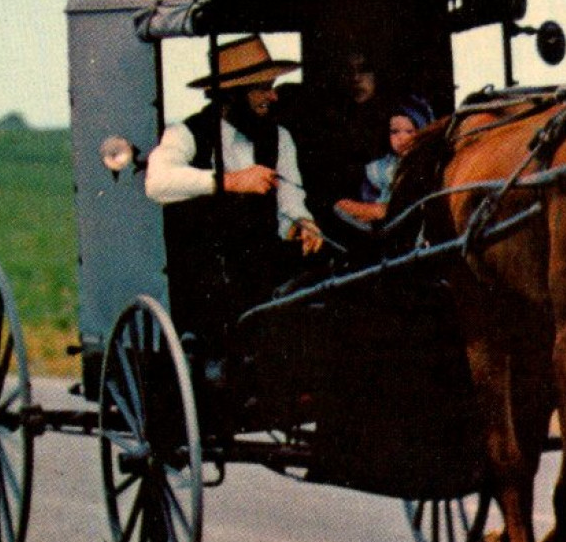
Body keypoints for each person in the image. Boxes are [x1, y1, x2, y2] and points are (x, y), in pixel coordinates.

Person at [145, 35, 324, 335]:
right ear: (231, 94)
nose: (273, 96)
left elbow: (291, 195)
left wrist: (303, 222)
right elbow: (157, 183)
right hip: (205, 274)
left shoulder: (279, 137)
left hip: (260, 266)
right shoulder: (186, 134)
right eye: (262, 88)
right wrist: (229, 181)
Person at [334, 95, 433, 226]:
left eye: (409, 131)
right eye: (394, 132)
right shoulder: (383, 166)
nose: (401, 138)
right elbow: (368, 194)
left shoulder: (426, 165)